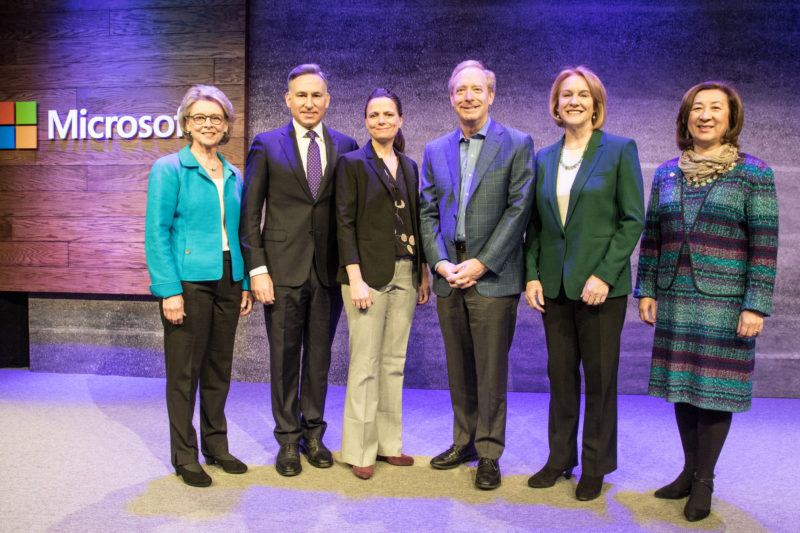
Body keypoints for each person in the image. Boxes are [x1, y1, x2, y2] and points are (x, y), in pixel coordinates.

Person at [635, 81, 778, 521]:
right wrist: (647, 289)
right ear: (686, 119)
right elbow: (653, 237)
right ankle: (688, 470)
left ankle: (704, 481)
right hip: (676, 298)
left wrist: (756, 304)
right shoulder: (666, 173)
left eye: (716, 108)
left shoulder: (753, 173)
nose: (706, 115)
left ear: (731, 118)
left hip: (726, 302)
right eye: (698, 108)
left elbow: (765, 245)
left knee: (715, 392)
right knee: (683, 389)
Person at [523, 66, 645, 501]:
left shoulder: (618, 150)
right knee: (560, 377)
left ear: (596, 103)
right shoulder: (543, 158)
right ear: (555, 106)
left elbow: (633, 220)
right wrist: (532, 276)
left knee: (598, 378)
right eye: (565, 95)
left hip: (600, 289)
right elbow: (535, 225)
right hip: (554, 287)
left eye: (582, 94)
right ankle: (561, 458)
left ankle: (594, 465)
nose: (573, 101)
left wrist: (604, 275)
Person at [419, 60, 535, 490]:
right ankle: (463, 440)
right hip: (450, 274)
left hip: (493, 275)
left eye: (476, 89)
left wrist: (483, 262)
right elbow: (426, 211)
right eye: (459, 90)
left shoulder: (518, 143)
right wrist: (439, 262)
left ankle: (489, 453)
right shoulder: (435, 149)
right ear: (451, 98)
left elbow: (518, 210)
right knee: (458, 367)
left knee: (490, 371)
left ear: (490, 95)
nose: (468, 96)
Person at [240, 64, 358, 477]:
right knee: (285, 357)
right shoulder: (266, 144)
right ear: (288, 100)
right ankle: (288, 440)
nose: (309, 103)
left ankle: (314, 434)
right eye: (301, 96)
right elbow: (249, 213)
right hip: (281, 270)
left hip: (328, 272)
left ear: (327, 100)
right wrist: (257, 270)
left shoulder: (347, 145)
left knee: (320, 359)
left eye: (316, 95)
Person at [145, 85, 252, 487]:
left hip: (228, 277)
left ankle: (216, 446)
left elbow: (236, 231)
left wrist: (241, 280)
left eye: (216, 118)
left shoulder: (232, 171)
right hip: (187, 283)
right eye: (199, 117)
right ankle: (185, 455)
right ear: (186, 124)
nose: (208, 124)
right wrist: (168, 290)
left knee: (218, 368)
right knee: (184, 372)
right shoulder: (169, 168)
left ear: (226, 125)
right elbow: (157, 232)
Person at [335, 88, 430, 480]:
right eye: (373, 115)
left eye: (388, 114)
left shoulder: (409, 166)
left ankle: (390, 445)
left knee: (394, 364)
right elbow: (343, 223)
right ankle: (359, 449)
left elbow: (416, 224)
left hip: (406, 273)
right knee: (365, 364)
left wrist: (422, 271)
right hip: (366, 278)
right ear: (366, 121)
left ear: (400, 119)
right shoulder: (352, 164)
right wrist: (353, 277)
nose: (381, 121)